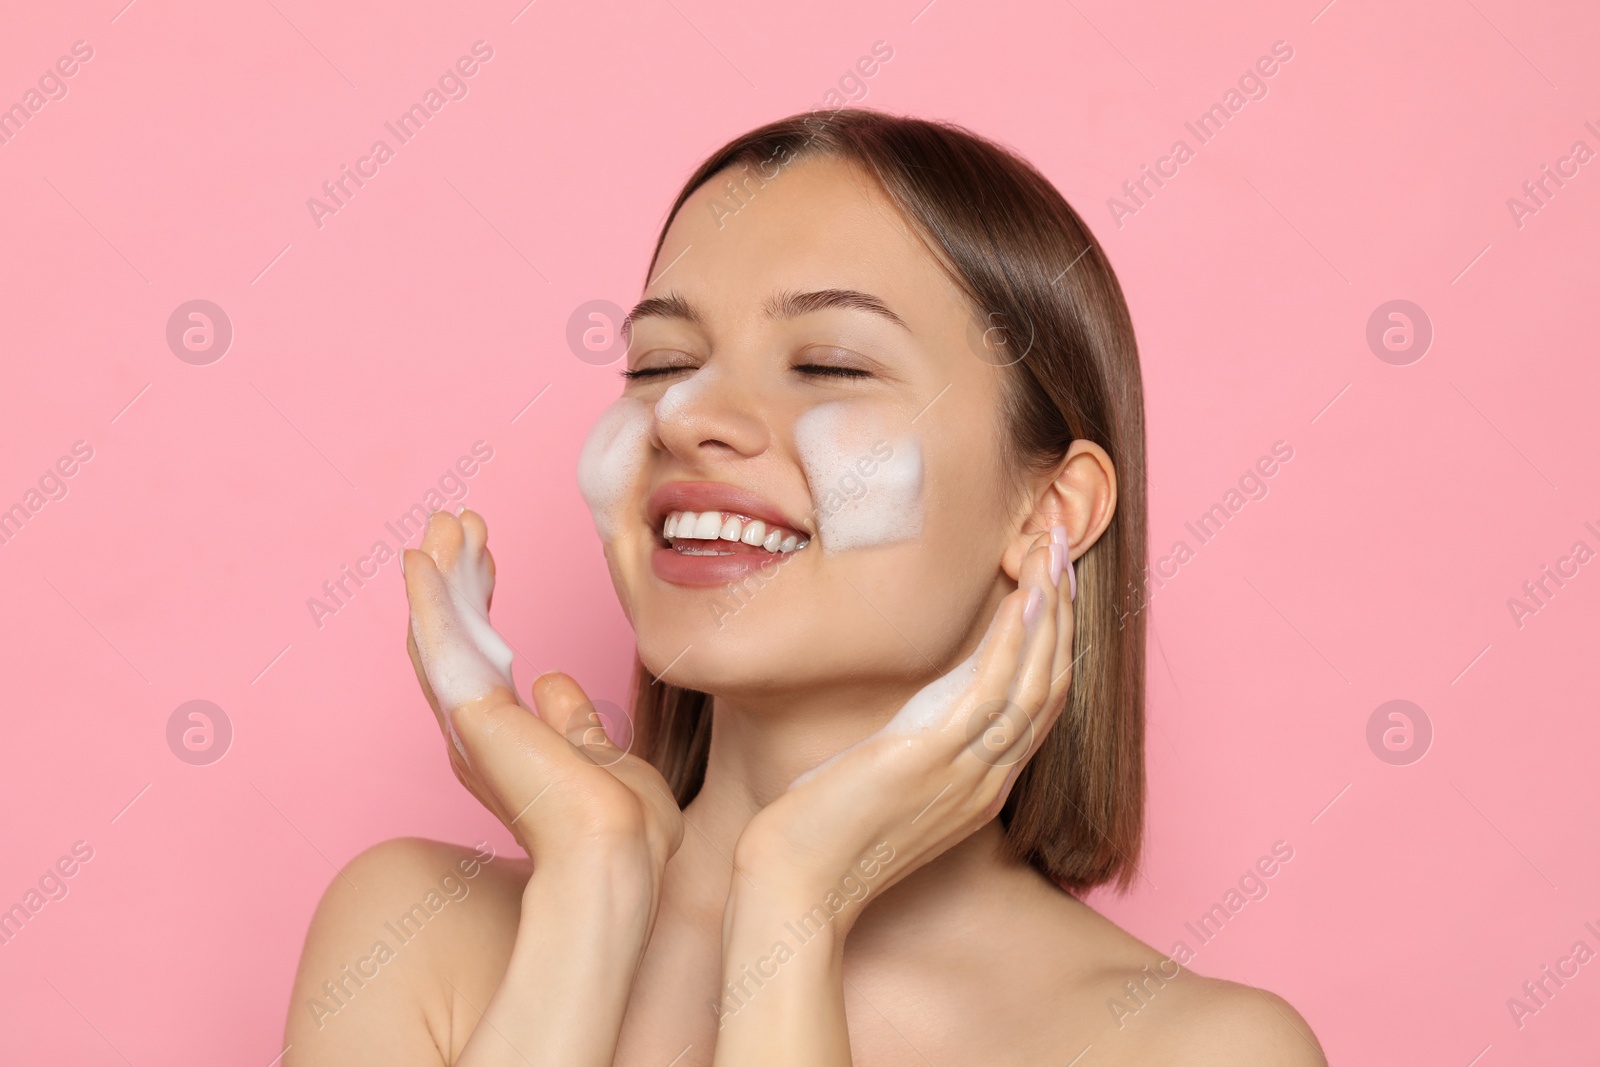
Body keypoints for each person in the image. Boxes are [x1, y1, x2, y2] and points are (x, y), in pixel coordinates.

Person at [284, 108, 1326, 1065]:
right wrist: (587, 902)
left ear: (1048, 510)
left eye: (827, 362)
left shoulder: (1193, 1047)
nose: (686, 415)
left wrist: (795, 904)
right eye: (660, 361)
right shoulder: (414, 935)